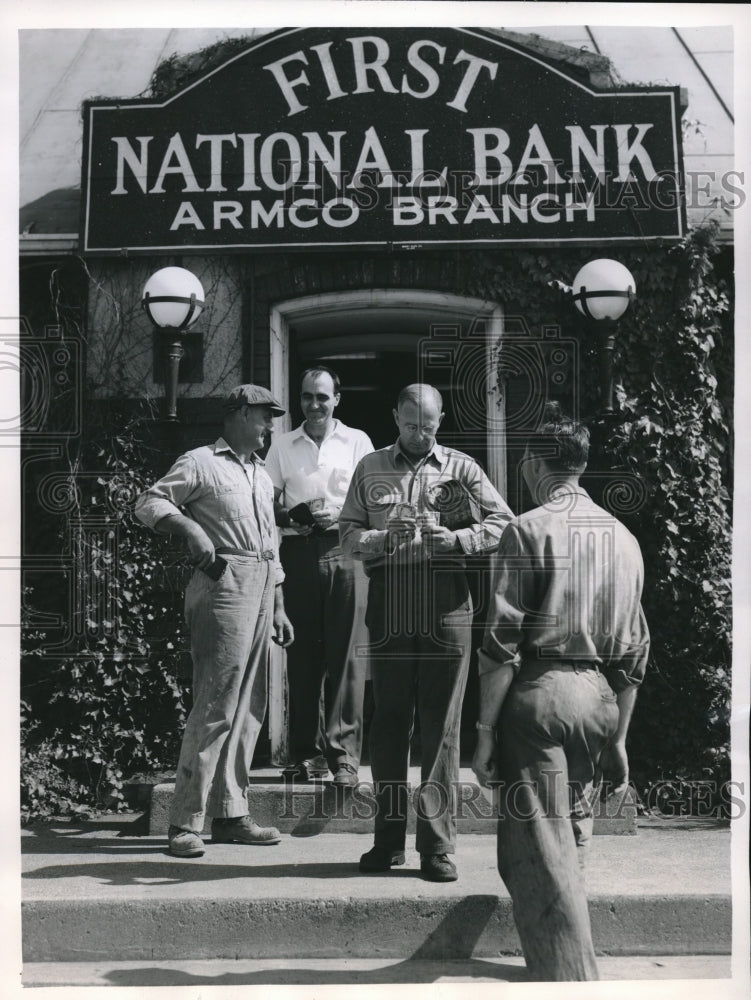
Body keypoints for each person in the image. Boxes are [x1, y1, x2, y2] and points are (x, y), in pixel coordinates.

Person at [472, 402, 650, 981]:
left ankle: (569, 978)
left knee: (539, 850)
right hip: (599, 699)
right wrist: (619, 737)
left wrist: (482, 732)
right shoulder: (624, 539)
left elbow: (500, 646)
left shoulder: (526, 530)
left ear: (533, 464)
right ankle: (561, 965)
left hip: (541, 697)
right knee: (571, 836)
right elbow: (635, 655)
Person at [339, 383, 512, 881]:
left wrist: (457, 539)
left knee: (442, 721)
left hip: (447, 598)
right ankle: (387, 841)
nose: (420, 434)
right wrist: (378, 537)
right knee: (390, 720)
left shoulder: (462, 467)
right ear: (396, 415)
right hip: (391, 595)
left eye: (429, 426)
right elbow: (346, 533)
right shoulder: (370, 466)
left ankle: (437, 847)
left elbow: (504, 522)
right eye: (412, 425)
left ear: (441, 421)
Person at [134, 384, 295, 858]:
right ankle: (184, 821)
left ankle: (231, 813)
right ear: (242, 413)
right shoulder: (201, 461)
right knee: (215, 703)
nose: (270, 427)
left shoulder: (260, 474)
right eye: (266, 417)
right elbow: (149, 502)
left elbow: (271, 541)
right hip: (224, 583)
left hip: (263, 583)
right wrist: (190, 528)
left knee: (249, 708)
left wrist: (280, 603)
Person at [265, 366, 374, 785]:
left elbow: (375, 497)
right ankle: (304, 755)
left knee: (346, 657)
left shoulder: (358, 441)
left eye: (322, 397)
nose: (314, 405)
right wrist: (291, 515)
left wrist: (342, 510)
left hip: (345, 551)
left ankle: (344, 758)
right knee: (302, 656)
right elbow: (268, 504)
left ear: (337, 399)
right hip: (297, 552)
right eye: (307, 396)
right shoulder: (282, 445)